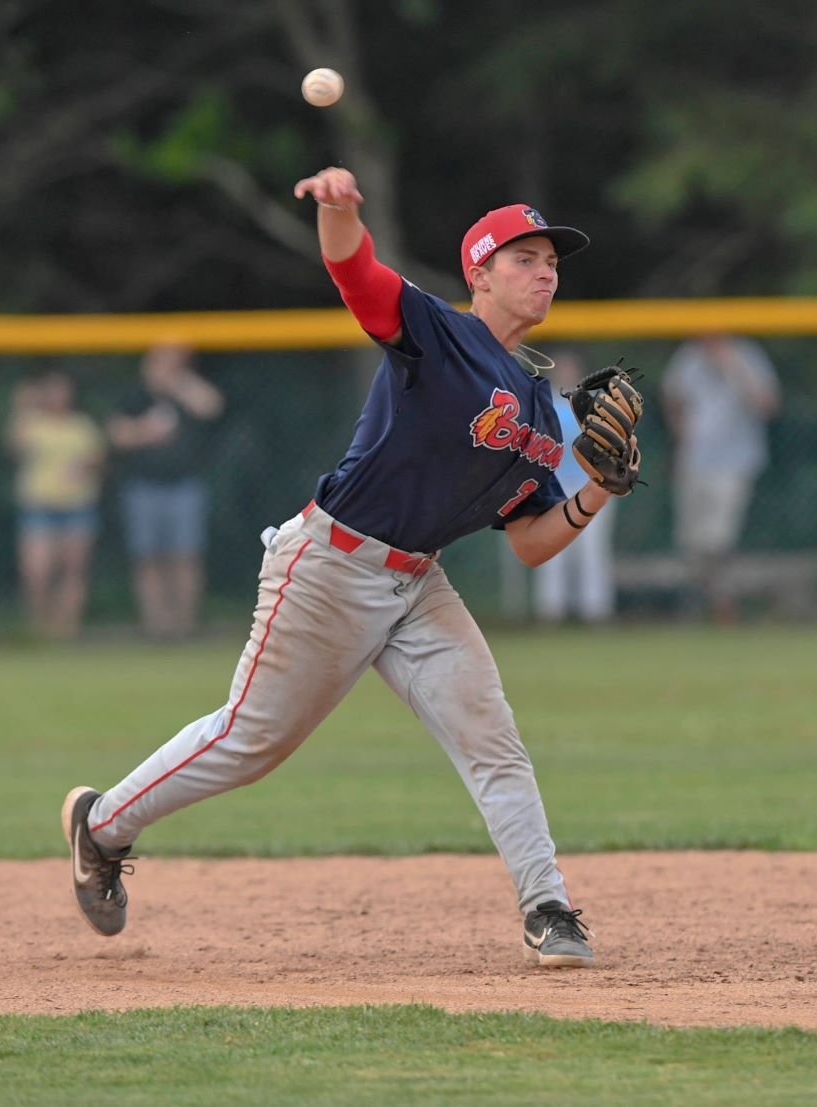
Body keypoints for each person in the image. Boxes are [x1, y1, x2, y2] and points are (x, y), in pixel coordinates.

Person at [60, 166, 641, 969]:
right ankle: (102, 823)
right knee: (251, 740)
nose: (544, 272)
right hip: (330, 566)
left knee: (492, 736)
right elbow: (355, 273)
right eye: (524, 257)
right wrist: (339, 212)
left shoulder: (542, 408)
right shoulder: (438, 334)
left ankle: (549, 908)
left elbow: (532, 540)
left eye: (551, 262)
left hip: (418, 582)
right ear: (479, 272)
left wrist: (598, 490)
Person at [105, 341, 224, 640]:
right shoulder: (135, 396)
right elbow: (116, 434)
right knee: (148, 559)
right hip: (143, 486)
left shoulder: (188, 392)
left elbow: (212, 407)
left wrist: (179, 384)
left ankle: (184, 626)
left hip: (184, 486)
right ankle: (156, 627)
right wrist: (146, 431)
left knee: (185, 557)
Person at [661, 333, 780, 623]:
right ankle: (699, 602)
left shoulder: (746, 355)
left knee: (719, 537)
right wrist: (680, 442)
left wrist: (734, 368)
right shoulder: (688, 357)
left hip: (734, 462)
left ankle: (722, 603)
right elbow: (672, 399)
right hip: (694, 462)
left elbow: (767, 405)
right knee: (692, 540)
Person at [10, 371, 106, 640]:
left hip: (76, 505)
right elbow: (14, 448)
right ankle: (38, 629)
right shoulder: (33, 423)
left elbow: (98, 459)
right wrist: (21, 408)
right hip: (40, 505)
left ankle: (65, 632)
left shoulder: (81, 425)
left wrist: (84, 467)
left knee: (73, 570)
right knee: (37, 572)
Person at [532, 349, 617, 624]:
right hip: (554, 486)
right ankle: (551, 610)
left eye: (570, 368)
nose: (565, 373)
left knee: (592, 550)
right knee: (552, 549)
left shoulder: (593, 405)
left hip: (591, 485)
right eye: (561, 368)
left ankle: (595, 610)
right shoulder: (544, 405)